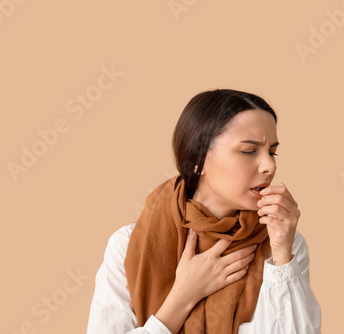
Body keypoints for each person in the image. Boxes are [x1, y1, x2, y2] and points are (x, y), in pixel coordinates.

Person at [86, 89, 322, 334]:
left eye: (272, 152)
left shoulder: (283, 247)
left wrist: (283, 254)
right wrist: (183, 296)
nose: (270, 166)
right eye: (249, 151)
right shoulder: (128, 245)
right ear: (198, 158)